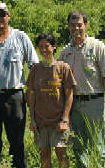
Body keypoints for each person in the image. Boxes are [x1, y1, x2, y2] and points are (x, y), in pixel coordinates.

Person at [0, 2, 39, 168]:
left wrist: (29, 91)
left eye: (3, 14)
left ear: (8, 16)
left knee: (17, 142)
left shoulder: (20, 38)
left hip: (15, 96)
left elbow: (34, 66)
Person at [59, 11, 105, 167]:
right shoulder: (65, 52)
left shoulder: (97, 46)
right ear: (68, 26)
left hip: (94, 103)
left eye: (79, 24)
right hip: (74, 105)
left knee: (98, 145)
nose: (76, 28)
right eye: (72, 24)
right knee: (78, 145)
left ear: (86, 25)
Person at [25, 33, 76, 168]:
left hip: (58, 122)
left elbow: (69, 94)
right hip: (41, 122)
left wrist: (65, 119)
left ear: (54, 47)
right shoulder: (35, 69)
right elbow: (31, 95)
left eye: (47, 46)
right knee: (45, 157)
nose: (43, 50)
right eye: (40, 47)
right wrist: (33, 120)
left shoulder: (63, 68)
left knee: (61, 156)